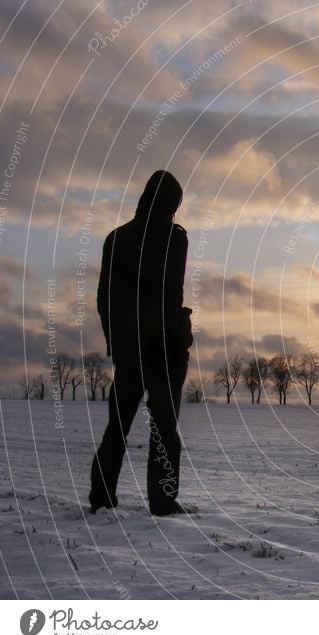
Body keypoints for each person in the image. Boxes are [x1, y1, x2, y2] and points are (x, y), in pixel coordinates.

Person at [90, 170, 194, 516]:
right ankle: (162, 501)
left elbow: (104, 299)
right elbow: (169, 295)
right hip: (161, 351)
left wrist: (116, 344)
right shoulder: (174, 239)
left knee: (116, 426)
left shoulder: (115, 238)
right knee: (164, 429)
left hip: (128, 351)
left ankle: (102, 496)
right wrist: (175, 340)